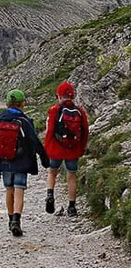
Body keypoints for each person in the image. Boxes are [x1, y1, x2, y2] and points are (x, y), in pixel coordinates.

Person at [0, 89, 50, 237]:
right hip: (21, 161)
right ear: (23, 104)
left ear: (7, 104)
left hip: (4, 160)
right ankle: (16, 220)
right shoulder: (24, 121)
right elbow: (34, 141)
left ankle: (10, 220)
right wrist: (44, 159)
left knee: (9, 190)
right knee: (19, 189)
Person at [44, 81, 89, 216]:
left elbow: (50, 131)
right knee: (71, 176)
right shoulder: (80, 111)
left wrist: (46, 148)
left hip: (56, 149)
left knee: (52, 173)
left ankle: (50, 195)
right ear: (72, 96)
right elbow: (85, 132)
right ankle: (72, 207)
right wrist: (81, 149)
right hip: (73, 150)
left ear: (59, 96)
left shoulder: (54, 110)